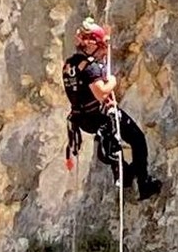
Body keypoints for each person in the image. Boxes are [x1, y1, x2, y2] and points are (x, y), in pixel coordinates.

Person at [63, 18, 162, 200]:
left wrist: (105, 36)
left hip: (83, 118)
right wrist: (113, 82)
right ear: (91, 44)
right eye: (100, 46)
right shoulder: (90, 67)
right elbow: (100, 92)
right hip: (99, 114)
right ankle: (143, 183)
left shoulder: (71, 64)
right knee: (137, 139)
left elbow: (99, 57)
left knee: (111, 143)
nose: (103, 51)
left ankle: (125, 172)